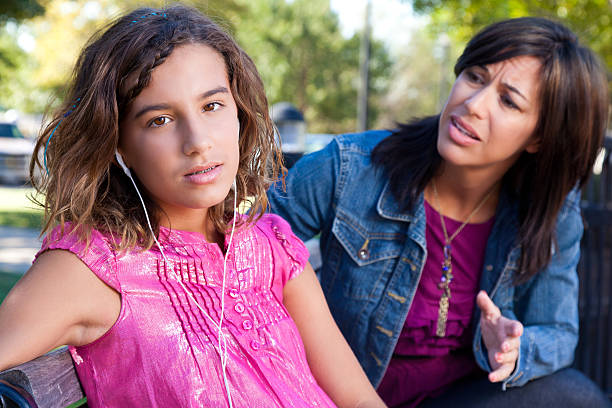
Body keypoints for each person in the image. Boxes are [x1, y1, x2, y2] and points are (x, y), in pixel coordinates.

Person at [0, 5, 387, 408]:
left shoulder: (273, 249)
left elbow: (360, 401)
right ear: (119, 144)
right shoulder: (95, 268)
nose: (197, 142)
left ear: (240, 112)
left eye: (212, 106)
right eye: (160, 120)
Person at [268, 17, 611, 407]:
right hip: (339, 395)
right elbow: (239, 245)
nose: (474, 104)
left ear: (538, 137)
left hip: (458, 398)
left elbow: (559, 331)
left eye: (508, 101)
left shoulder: (548, 210)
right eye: (476, 77)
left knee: (576, 396)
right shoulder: (351, 167)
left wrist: (517, 349)